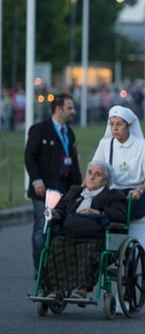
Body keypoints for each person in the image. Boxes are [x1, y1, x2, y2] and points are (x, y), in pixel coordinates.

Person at [42, 161, 127, 300]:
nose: (92, 177)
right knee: (57, 243)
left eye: (97, 174)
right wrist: (55, 214)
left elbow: (120, 215)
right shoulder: (75, 191)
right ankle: (58, 290)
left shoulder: (112, 195)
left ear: (105, 181)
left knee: (88, 248)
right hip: (70, 235)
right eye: (90, 173)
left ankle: (82, 290)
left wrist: (97, 211)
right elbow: (61, 208)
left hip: (95, 238)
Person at [92, 105, 145, 268]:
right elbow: (95, 168)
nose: (114, 128)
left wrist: (140, 189)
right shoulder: (105, 145)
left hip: (134, 195)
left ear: (129, 125)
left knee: (136, 238)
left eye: (119, 124)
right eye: (112, 124)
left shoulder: (142, 146)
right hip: (112, 195)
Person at [25, 93, 83, 274]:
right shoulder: (40, 130)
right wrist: (36, 180)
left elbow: (73, 162)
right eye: (69, 108)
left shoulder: (69, 133)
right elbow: (30, 156)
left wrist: (79, 188)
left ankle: (56, 266)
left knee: (60, 229)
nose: (73, 111)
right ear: (58, 109)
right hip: (43, 189)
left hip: (64, 190)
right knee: (42, 226)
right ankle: (40, 269)